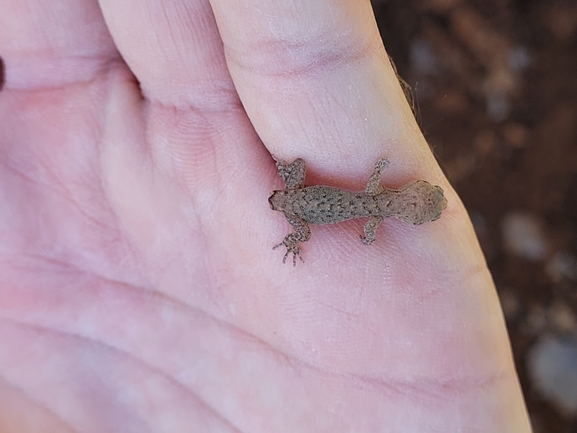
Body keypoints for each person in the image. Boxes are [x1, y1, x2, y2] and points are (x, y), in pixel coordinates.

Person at [0, 0, 532, 431]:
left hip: (298, 201)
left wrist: (298, 198)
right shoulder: (374, 218)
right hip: (297, 207)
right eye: (419, 204)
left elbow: (367, 203)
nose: (419, 202)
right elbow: (368, 230)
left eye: (420, 203)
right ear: (404, 212)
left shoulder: (375, 196)